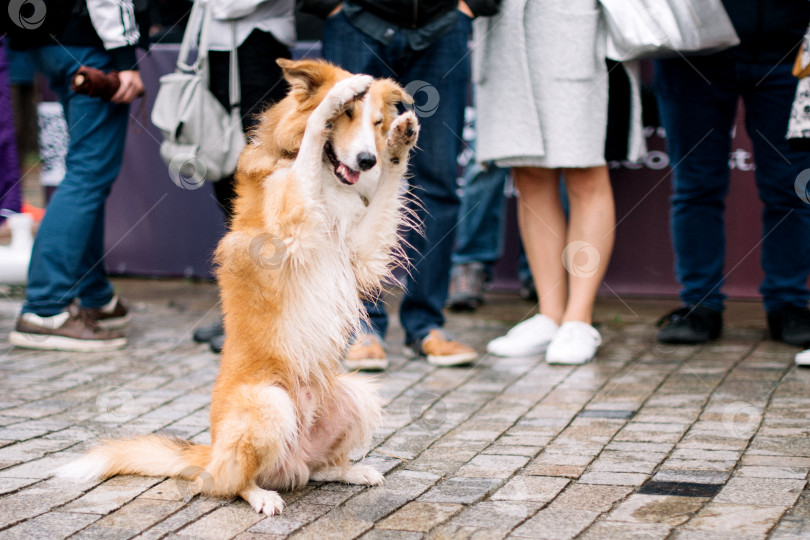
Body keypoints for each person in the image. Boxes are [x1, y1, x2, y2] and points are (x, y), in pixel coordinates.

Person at [301, 0, 502, 370]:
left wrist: (470, 8)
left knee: (438, 183)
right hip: (355, 23)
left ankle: (426, 325)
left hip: (442, 28)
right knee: (351, 181)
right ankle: (360, 326)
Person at [474, 0, 644, 364]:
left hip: (580, 30)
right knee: (529, 172)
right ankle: (550, 315)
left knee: (585, 172)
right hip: (506, 33)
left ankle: (578, 318)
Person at [654, 0, 810, 347]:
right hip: (691, 48)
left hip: (791, 51)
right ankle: (699, 304)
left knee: (791, 188)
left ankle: (789, 304)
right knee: (696, 185)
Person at [5, 0, 144, 352]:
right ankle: (45, 308)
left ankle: (94, 293)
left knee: (84, 173)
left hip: (40, 42)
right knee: (89, 173)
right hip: (87, 42)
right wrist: (126, 56)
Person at [191, 0, 295, 353]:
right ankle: (241, 310)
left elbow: (228, 6)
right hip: (215, 50)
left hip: (258, 49)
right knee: (228, 176)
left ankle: (265, 314)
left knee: (262, 179)